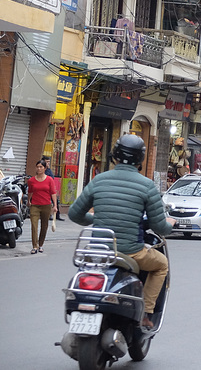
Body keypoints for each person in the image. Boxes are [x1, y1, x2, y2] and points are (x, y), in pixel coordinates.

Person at [69, 134, 175, 328]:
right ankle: (146, 311)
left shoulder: (99, 180)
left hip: (99, 251)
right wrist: (171, 224)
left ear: (115, 155)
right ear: (141, 158)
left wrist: (96, 220)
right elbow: (159, 227)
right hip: (131, 251)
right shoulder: (147, 186)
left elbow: (75, 214)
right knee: (162, 265)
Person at [27, 159, 58, 254]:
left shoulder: (49, 180)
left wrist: (55, 206)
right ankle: (34, 246)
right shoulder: (31, 180)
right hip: (35, 205)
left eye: (41, 167)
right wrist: (28, 200)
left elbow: (53, 193)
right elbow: (30, 191)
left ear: (45, 168)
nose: (39, 169)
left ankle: (40, 244)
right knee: (34, 225)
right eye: (38, 167)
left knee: (44, 226)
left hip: (46, 205)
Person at [43, 156, 64, 222]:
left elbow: (52, 177)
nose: (48, 163)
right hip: (44, 188)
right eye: (46, 162)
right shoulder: (41, 169)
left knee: (55, 201)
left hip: (50, 188)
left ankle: (57, 215)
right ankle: (48, 215)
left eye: (49, 162)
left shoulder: (48, 170)